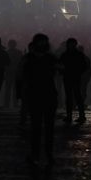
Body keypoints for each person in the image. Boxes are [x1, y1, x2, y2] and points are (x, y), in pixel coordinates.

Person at [24, 33, 58, 165]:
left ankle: (38, 154)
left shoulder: (31, 58)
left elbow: (24, 76)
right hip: (43, 95)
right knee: (43, 128)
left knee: (39, 127)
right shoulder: (49, 58)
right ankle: (44, 154)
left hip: (39, 95)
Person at [59, 38, 89, 123]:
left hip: (70, 77)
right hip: (74, 77)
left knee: (72, 97)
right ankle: (80, 116)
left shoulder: (65, 55)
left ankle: (71, 116)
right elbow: (84, 66)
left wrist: (64, 71)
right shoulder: (78, 54)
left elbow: (60, 66)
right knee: (76, 97)